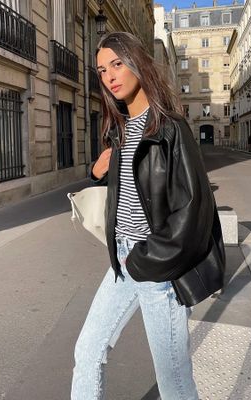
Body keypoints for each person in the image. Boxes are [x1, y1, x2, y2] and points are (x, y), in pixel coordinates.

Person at [71, 32, 225, 400]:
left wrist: (144, 260)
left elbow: (193, 212)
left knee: (174, 384)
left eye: (117, 64)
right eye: (102, 69)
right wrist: (96, 174)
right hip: (123, 262)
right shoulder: (119, 130)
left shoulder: (171, 128)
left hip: (157, 268)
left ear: (137, 62)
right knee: (87, 351)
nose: (109, 75)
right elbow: (134, 188)